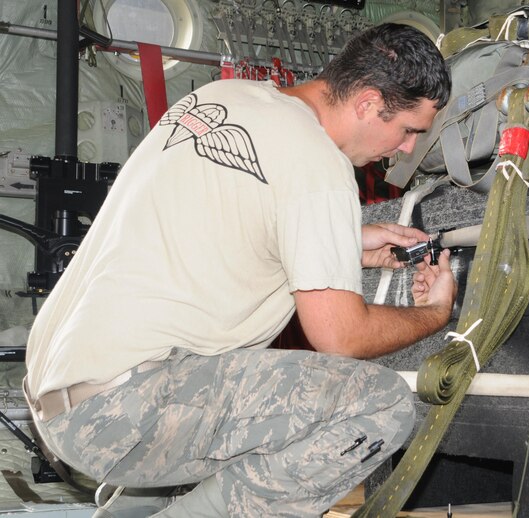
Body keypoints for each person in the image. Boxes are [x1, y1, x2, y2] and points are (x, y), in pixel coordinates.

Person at [23, 23, 455, 518]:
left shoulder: (223, 98)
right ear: (367, 103)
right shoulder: (319, 164)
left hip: (58, 393)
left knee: (244, 403)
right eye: (408, 131)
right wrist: (433, 315)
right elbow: (342, 336)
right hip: (122, 412)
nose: (404, 150)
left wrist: (346, 244)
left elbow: (227, 224)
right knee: (380, 404)